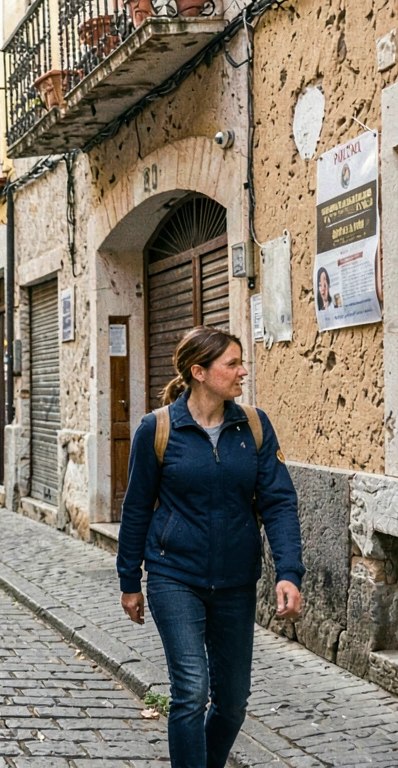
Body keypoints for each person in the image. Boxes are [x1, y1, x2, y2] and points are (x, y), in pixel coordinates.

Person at [117, 326, 303, 768]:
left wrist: (289, 572)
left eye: (241, 362)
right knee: (190, 691)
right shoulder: (157, 429)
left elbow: (278, 502)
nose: (243, 371)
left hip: (237, 581)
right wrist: (130, 580)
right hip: (173, 575)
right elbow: (137, 507)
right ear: (199, 372)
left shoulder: (254, 426)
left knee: (233, 701)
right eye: (232, 364)